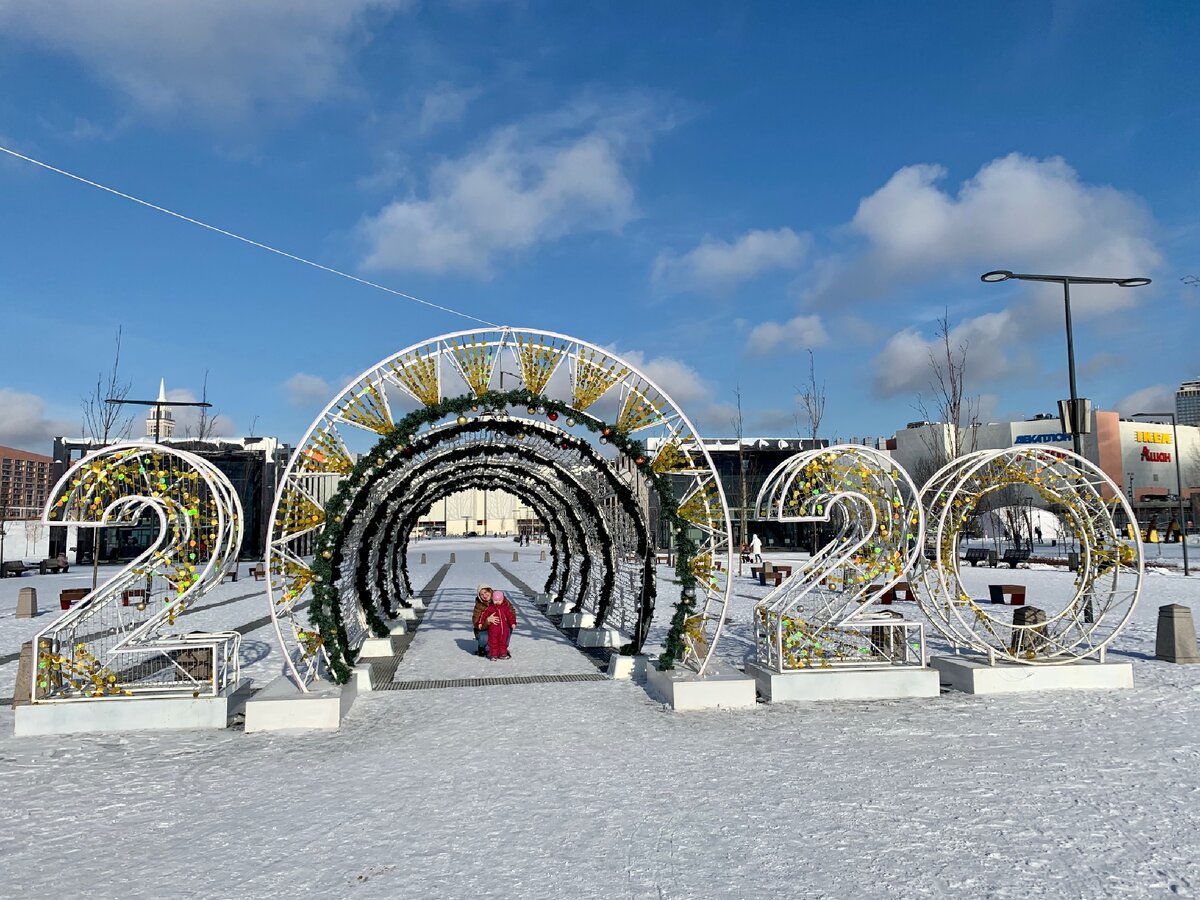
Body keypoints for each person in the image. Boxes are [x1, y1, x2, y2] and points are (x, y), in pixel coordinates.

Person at [471, 584, 517, 657]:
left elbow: (511, 611)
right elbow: (476, 622)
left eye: (486, 592)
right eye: (482, 594)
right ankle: (482, 647)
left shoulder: (500, 598)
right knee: (485, 638)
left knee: (505, 632)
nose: (484, 595)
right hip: (485, 628)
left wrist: (510, 621)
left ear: (490, 591)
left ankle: (503, 650)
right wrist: (488, 620)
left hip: (501, 626)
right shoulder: (479, 604)